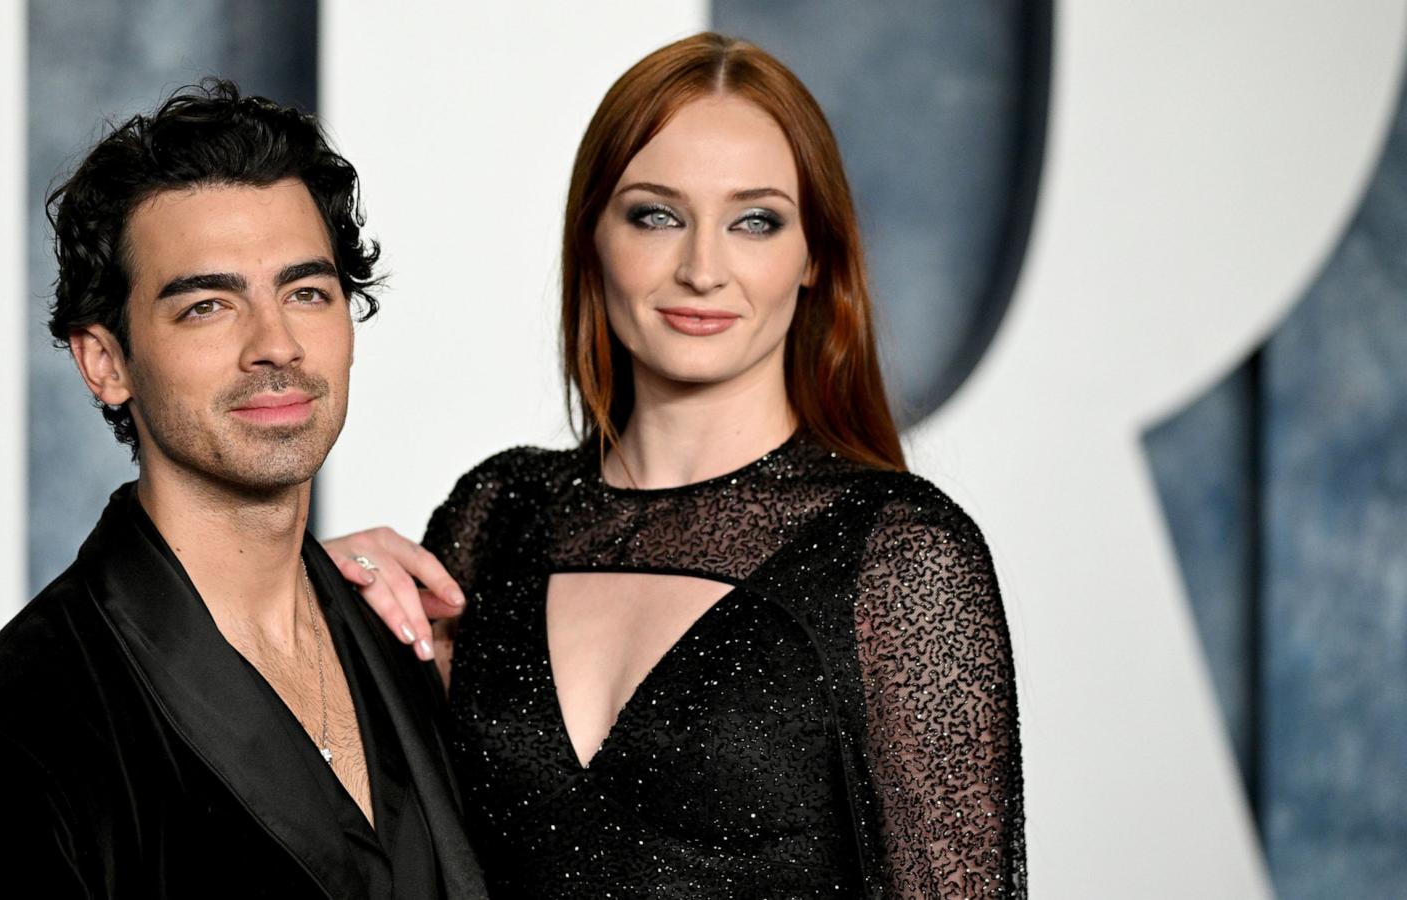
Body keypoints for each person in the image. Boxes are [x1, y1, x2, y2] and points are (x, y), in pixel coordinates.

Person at [328, 33, 1026, 898]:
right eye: (656, 214)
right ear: (593, 238)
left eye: (755, 221)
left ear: (815, 257)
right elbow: (369, 852)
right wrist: (313, 614)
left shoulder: (895, 552)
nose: (702, 268)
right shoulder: (496, 513)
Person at [0, 82, 486, 899]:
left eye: (307, 292)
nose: (275, 345)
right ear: (106, 362)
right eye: (207, 306)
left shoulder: (395, 644)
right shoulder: (22, 734)